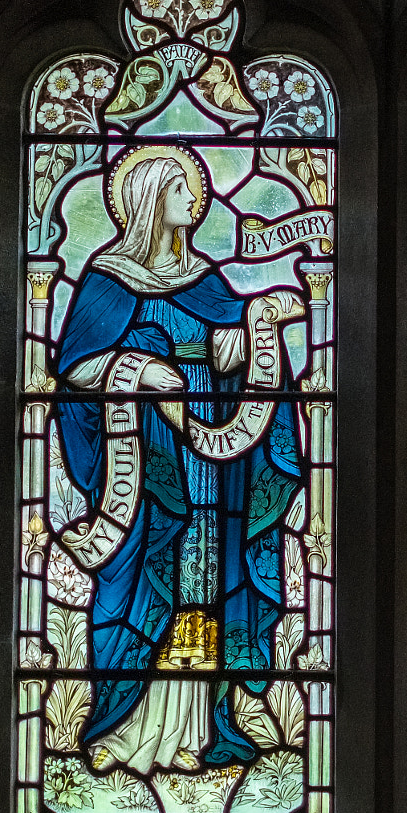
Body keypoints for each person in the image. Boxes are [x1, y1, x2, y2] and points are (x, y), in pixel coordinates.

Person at [54, 151, 303, 776]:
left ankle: (200, 723)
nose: (194, 201)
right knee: (142, 575)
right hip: (143, 459)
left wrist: (243, 339)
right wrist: (136, 368)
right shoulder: (107, 279)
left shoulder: (207, 279)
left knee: (207, 579)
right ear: (145, 202)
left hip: (208, 463)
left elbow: (242, 336)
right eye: (178, 191)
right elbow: (73, 371)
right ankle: (122, 722)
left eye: (193, 191)